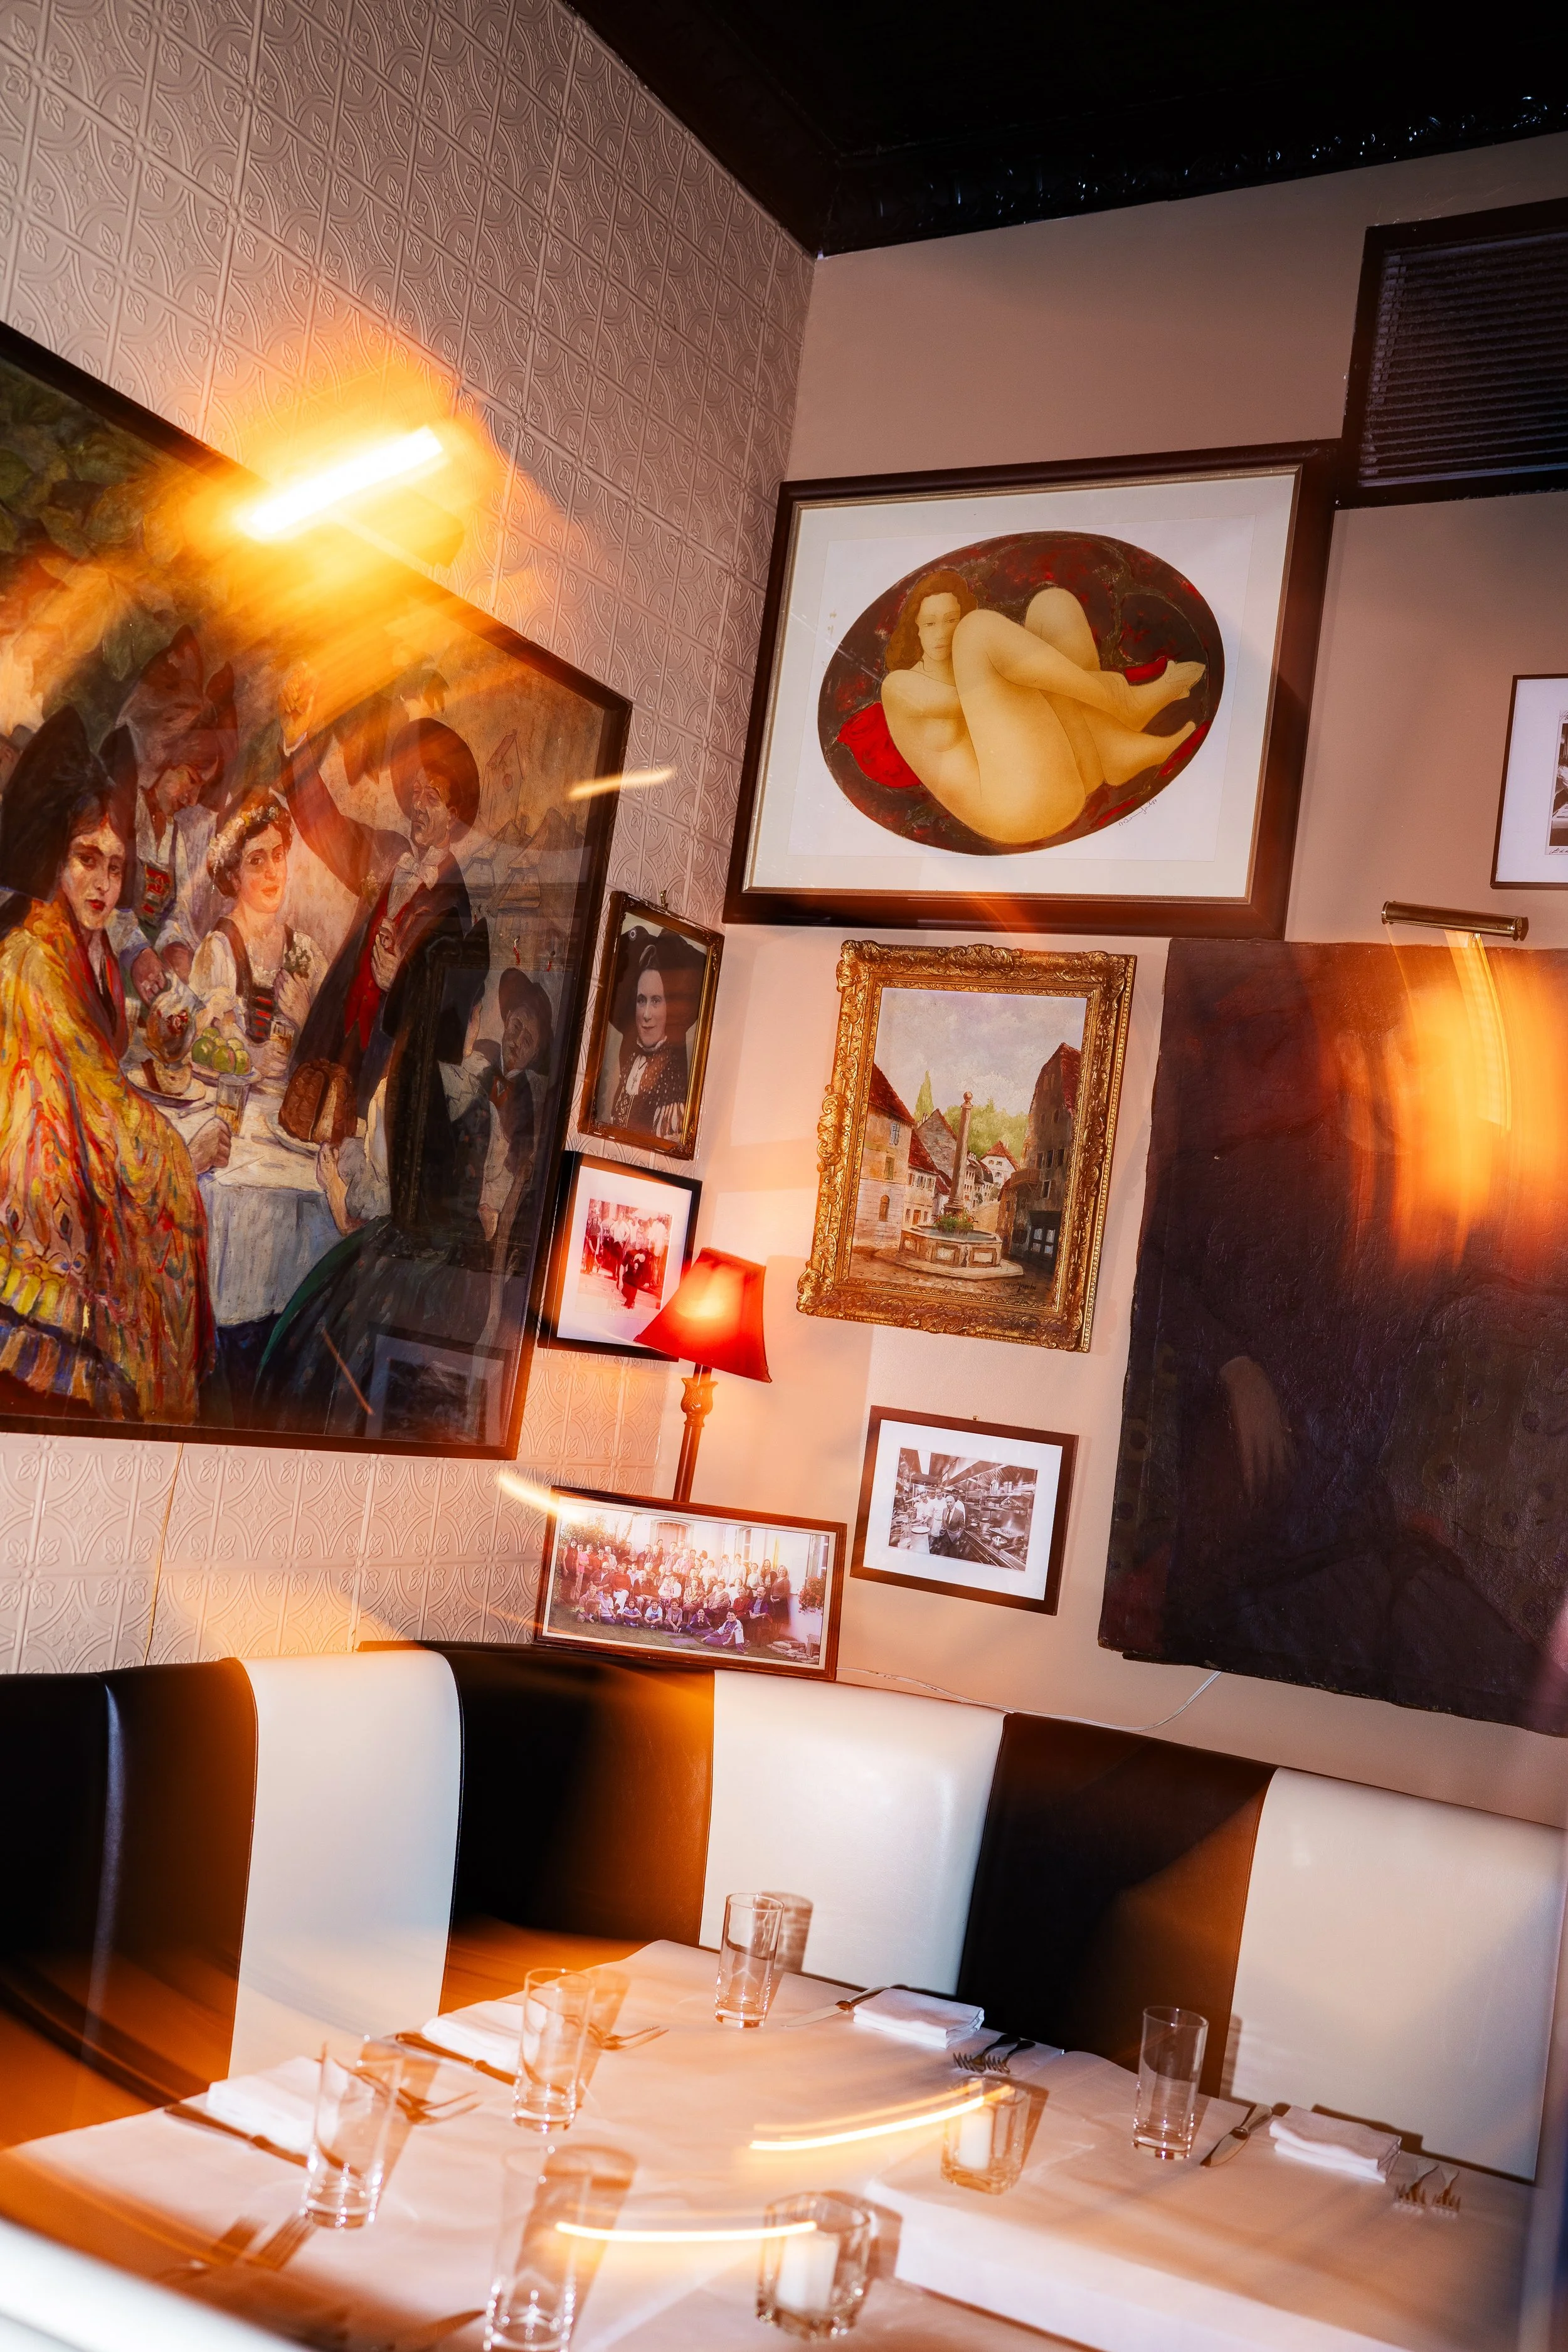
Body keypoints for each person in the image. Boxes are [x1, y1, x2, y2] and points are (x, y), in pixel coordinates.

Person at [0, 709, 230, 1423]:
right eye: (86, 859)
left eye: (113, 864)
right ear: (56, 861)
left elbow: (92, 1079)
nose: (102, 881)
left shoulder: (91, 946)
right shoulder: (31, 957)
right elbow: (67, 1096)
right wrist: (175, 1154)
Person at [879, 569, 1205, 847]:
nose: (943, 633)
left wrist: (1027, 662)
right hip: (1017, 811)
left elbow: (1026, 681)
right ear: (916, 631)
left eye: (952, 620)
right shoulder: (898, 686)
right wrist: (1018, 662)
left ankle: (1114, 747)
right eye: (930, 624)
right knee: (981, 631)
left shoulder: (973, 662)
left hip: (1073, 774)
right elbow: (968, 700)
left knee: (1053, 606)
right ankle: (1117, 700)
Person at [280, 716, 477, 1111]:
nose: (418, 806)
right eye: (416, 793)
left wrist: (399, 981)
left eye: (432, 797)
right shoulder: (386, 853)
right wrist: (296, 745)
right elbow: (327, 826)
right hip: (332, 1042)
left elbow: (449, 1016)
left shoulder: (456, 907)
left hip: (381, 1071)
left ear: (452, 817)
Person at [189, 791, 327, 1081]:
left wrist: (307, 1017)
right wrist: (251, 1055)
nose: (272, 872)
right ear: (234, 877)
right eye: (256, 860)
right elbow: (203, 1036)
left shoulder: (305, 950)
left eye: (278, 856)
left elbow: (334, 1047)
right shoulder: (220, 948)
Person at [601, 927, 706, 1142]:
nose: (646, 1014)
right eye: (642, 1000)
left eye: (656, 1001)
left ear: (670, 1008)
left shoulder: (672, 1080)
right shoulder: (632, 1059)